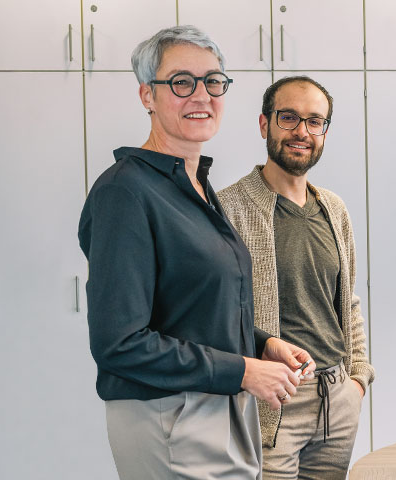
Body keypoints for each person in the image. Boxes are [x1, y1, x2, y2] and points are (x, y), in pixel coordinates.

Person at [77, 25, 313, 479]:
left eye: (213, 81)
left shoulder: (194, 184)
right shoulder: (125, 192)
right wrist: (242, 371)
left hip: (220, 405)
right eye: (182, 82)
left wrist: (262, 345)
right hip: (171, 415)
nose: (201, 95)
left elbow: (193, 309)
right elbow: (119, 343)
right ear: (147, 95)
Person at [217, 75, 373, 480]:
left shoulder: (334, 209)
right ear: (264, 124)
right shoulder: (228, 209)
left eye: (314, 121)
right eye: (288, 117)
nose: (302, 131)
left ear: (324, 133)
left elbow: (347, 301)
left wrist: (357, 379)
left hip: (336, 400)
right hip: (272, 401)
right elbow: (215, 313)